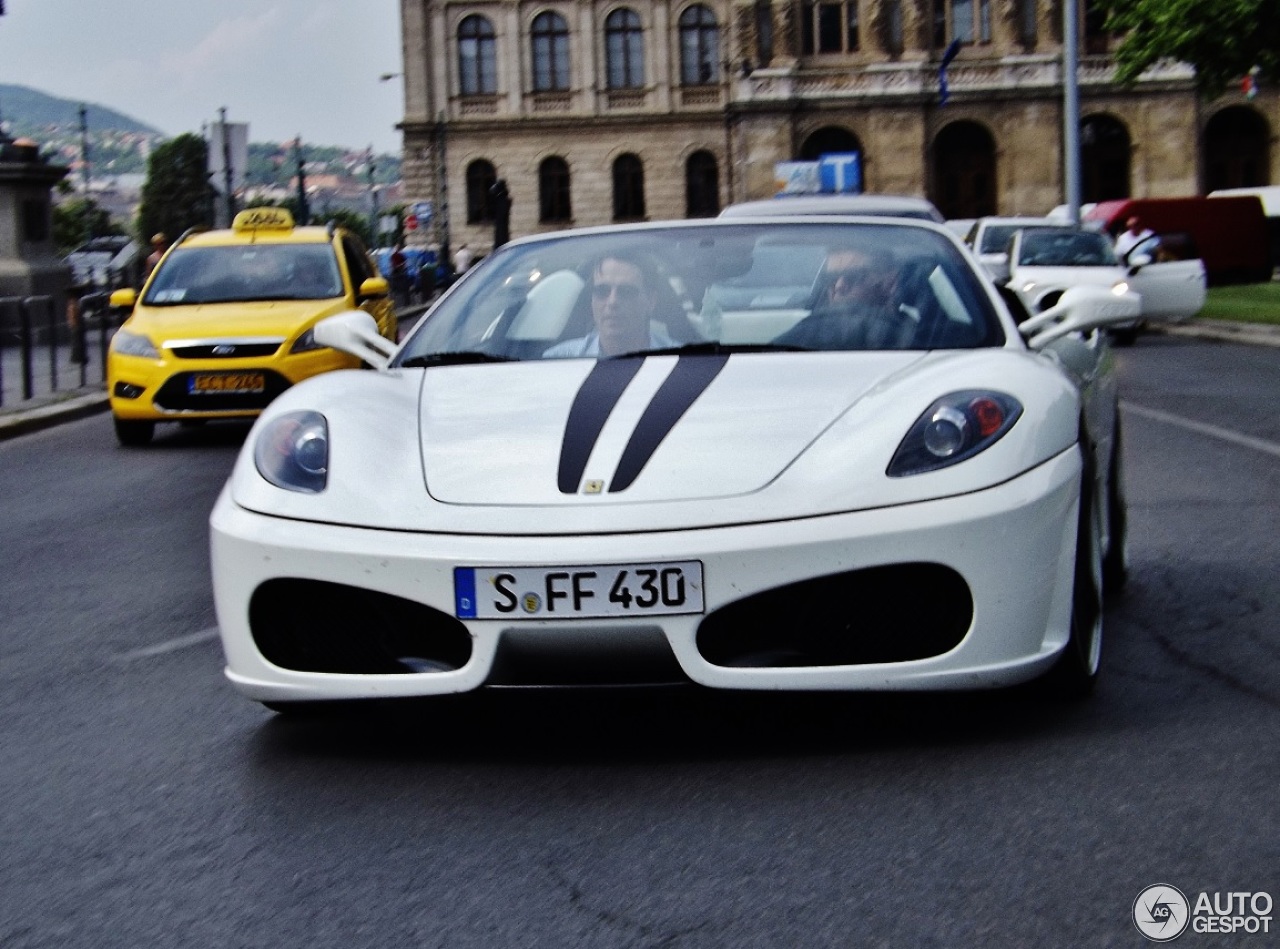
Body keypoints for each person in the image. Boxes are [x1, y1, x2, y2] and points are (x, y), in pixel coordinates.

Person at [544, 255, 678, 358]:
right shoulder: (556, 360)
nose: (612, 301)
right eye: (602, 291)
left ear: (651, 301)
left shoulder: (683, 360)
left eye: (626, 292)